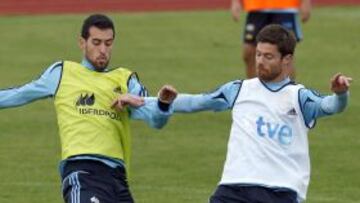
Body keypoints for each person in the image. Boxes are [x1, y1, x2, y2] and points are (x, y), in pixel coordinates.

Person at [0, 14, 177, 203]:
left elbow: (157, 120)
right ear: (82, 42)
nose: (103, 50)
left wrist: (163, 102)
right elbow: (16, 95)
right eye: (96, 42)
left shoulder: (125, 79)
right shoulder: (62, 72)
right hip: (82, 172)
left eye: (108, 43)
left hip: (117, 179)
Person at [173, 24, 351, 202]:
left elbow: (331, 106)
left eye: (268, 56)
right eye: (258, 54)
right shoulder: (239, 90)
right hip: (233, 187)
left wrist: (341, 94)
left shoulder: (298, 97)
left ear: (286, 59)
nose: (260, 61)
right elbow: (195, 102)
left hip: (279, 192)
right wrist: (156, 101)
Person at [231, 0, 311, 78]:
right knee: (249, 52)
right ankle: (256, 90)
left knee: (285, 53)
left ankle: (286, 90)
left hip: (285, 6)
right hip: (256, 6)